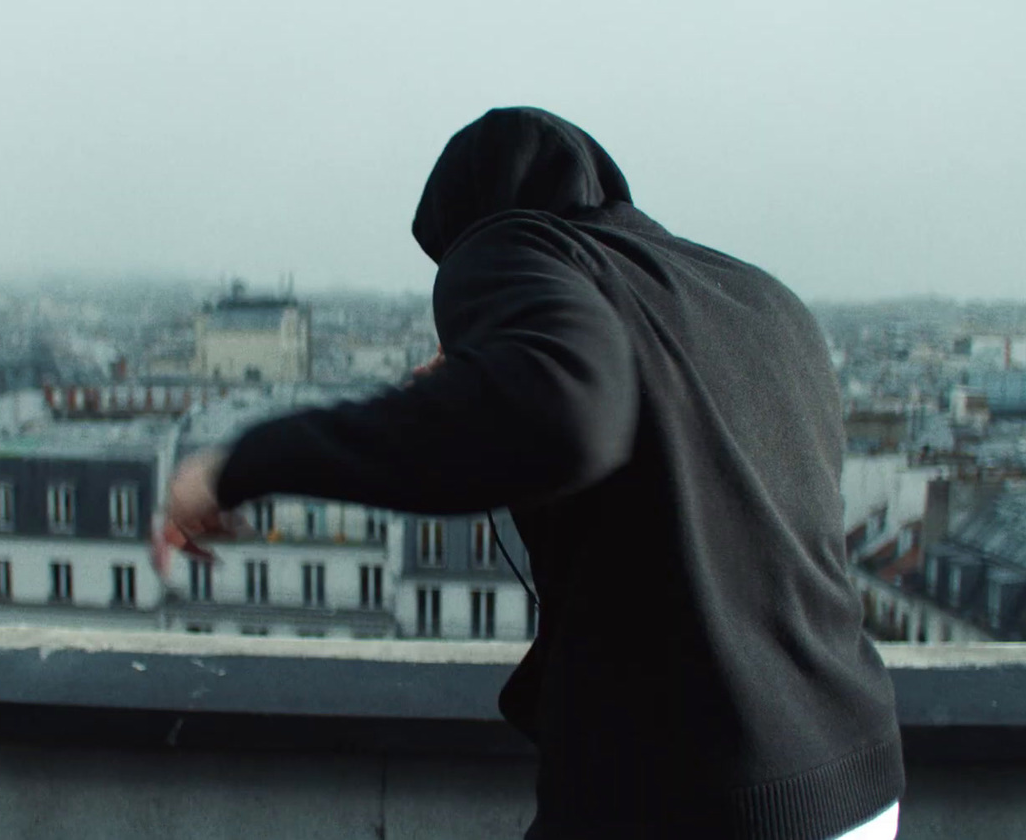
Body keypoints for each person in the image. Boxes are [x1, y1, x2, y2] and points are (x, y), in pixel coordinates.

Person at [162, 107, 904, 839]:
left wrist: (243, 465)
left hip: (697, 794)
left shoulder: (506, 241)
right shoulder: (757, 296)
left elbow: (569, 421)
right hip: (858, 774)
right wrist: (495, 371)